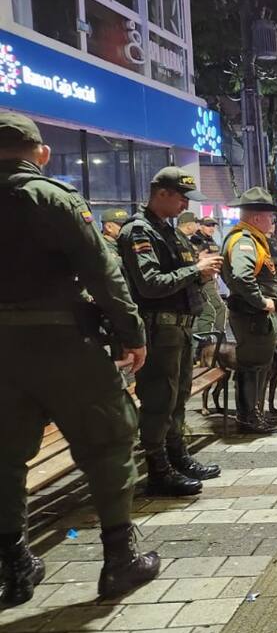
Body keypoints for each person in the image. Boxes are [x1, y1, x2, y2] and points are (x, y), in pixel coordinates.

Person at [0, 112, 159, 605]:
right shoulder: (52, 198)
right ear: (41, 153)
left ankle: (15, 568)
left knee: (3, 457)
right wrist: (132, 334)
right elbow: (101, 272)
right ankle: (119, 560)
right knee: (108, 441)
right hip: (64, 346)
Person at [117, 167, 224, 496]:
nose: (185, 205)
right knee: (159, 400)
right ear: (161, 193)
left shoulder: (168, 231)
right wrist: (196, 270)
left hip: (180, 327)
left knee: (177, 397)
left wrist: (198, 271)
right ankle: (159, 469)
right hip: (159, 329)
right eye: (181, 198)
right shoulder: (139, 231)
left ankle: (177, 457)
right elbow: (150, 284)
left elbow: (178, 273)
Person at [221, 187, 277, 433]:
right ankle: (248, 418)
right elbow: (241, 276)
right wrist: (261, 302)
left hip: (254, 316)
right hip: (252, 315)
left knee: (259, 365)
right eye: (270, 217)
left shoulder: (253, 239)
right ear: (257, 217)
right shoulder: (244, 241)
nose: (273, 221)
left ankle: (253, 414)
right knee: (253, 366)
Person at [190, 215, 227, 338]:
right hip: (202, 280)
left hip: (211, 279)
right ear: (200, 226)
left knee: (216, 309)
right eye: (208, 225)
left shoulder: (211, 240)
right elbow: (195, 259)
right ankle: (211, 339)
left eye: (213, 225)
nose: (212, 228)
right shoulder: (196, 240)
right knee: (215, 309)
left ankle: (214, 337)